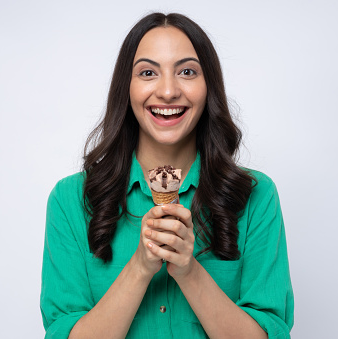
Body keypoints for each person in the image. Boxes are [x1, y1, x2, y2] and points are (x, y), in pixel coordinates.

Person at [40, 12, 294, 339]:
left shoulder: (255, 195)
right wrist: (140, 267)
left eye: (187, 71)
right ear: (126, 88)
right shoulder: (71, 200)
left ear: (209, 86)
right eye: (148, 72)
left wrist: (188, 271)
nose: (169, 91)